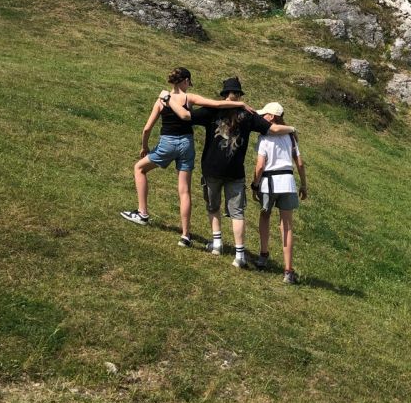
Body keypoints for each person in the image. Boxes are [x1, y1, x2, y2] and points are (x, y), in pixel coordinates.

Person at [174, 76, 296, 268]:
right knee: (237, 213)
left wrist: (169, 99)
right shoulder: (248, 114)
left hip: (212, 168)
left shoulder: (212, 110)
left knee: (213, 206)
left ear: (224, 94)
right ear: (239, 95)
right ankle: (239, 255)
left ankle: (217, 244)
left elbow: (186, 116)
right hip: (235, 172)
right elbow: (272, 129)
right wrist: (292, 128)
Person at [120, 67, 250, 246]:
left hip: (167, 143)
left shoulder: (162, 100)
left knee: (139, 168)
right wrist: (240, 104)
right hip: (187, 145)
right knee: (184, 191)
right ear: (186, 81)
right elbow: (217, 104)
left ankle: (142, 213)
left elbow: (147, 128)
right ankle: (185, 235)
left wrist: (145, 146)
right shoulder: (189, 98)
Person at [251, 102, 307, 285]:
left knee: (265, 216)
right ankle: (288, 270)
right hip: (288, 183)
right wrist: (304, 185)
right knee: (287, 226)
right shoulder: (290, 137)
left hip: (269, 183)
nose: (262, 118)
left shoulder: (264, 136)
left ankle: (263, 255)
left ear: (272, 117)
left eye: (264, 115)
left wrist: (255, 184)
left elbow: (260, 166)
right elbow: (300, 163)